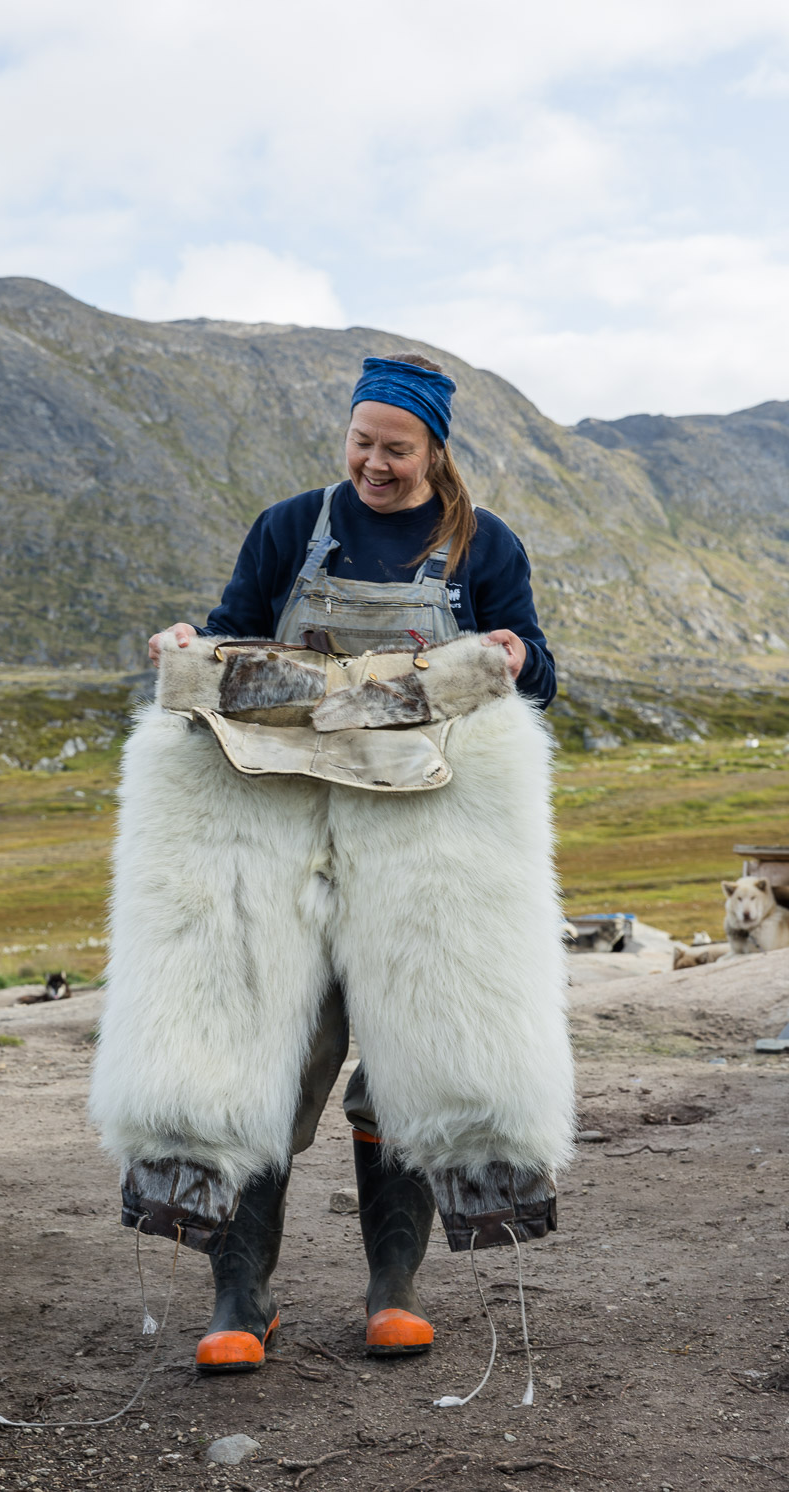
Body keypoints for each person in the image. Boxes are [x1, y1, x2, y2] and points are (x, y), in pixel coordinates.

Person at [139, 353, 560, 1374]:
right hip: (282, 831)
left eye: (395, 448)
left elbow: (538, 674)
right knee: (261, 1053)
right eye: (361, 442)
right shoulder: (295, 527)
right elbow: (239, 629)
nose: (374, 462)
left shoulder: (481, 545)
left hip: (426, 845)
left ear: (432, 452)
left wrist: (508, 655)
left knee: (418, 1058)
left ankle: (393, 1292)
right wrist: (194, 642)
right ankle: (242, 1300)